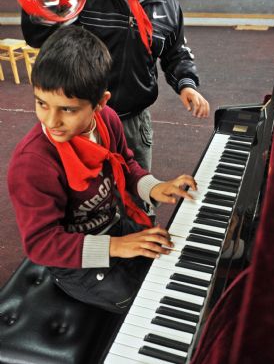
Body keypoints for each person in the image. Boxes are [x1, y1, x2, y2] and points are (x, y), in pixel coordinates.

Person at [7, 25, 198, 358]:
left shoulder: (108, 121)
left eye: (67, 109)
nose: (51, 121)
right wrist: (117, 247)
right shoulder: (33, 164)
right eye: (41, 103)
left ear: (100, 103)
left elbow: (126, 165)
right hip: (73, 262)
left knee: (176, 262)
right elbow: (41, 244)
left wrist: (156, 188)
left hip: (114, 227)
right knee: (152, 301)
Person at [21, 0, 210, 176]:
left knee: (139, 190)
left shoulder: (166, 4)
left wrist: (186, 84)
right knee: (89, 199)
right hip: (83, 120)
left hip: (134, 121)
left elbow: (176, 52)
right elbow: (40, 36)